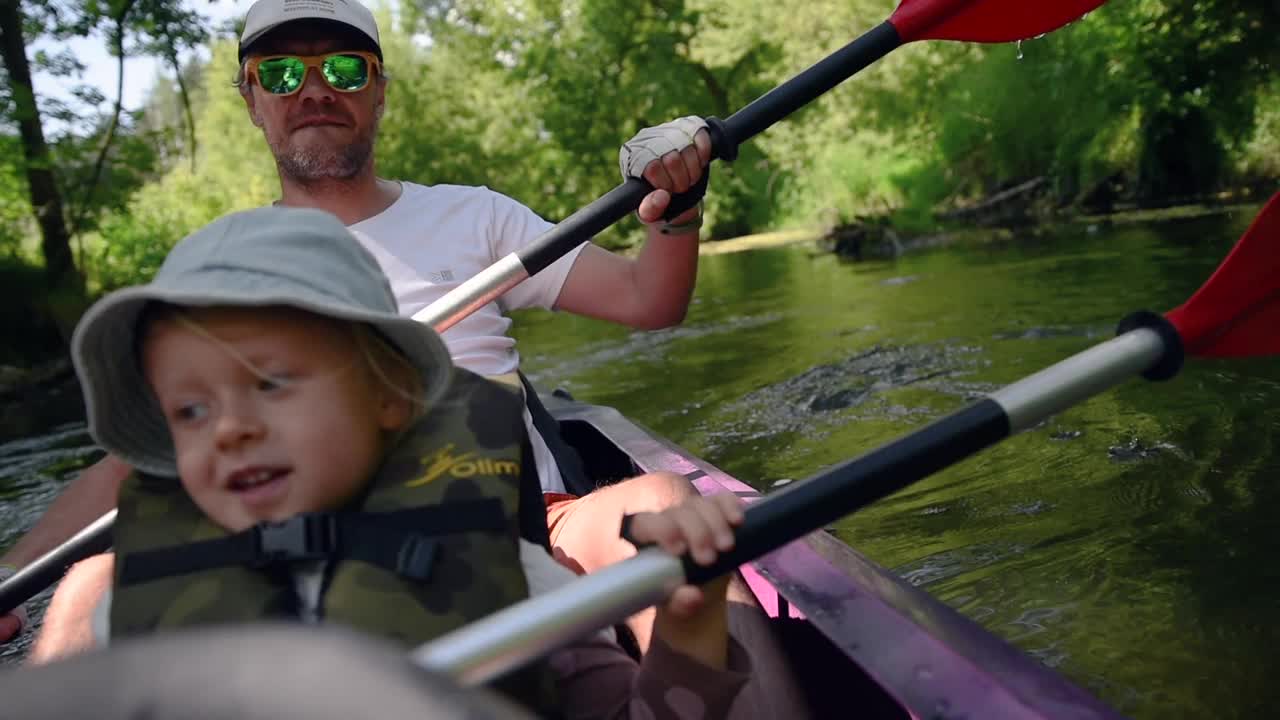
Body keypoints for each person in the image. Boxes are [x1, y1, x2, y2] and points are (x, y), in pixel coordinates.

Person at [5, 5, 807, 712]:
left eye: (343, 67)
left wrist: (677, 210)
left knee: (663, 503)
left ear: (379, 89)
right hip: (295, 527)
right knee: (87, 588)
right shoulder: (216, 266)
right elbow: (136, 466)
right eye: (281, 72)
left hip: (528, 515)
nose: (313, 88)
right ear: (252, 98)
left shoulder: (473, 217)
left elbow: (647, 301)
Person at [45, 206, 759, 719]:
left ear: (390, 399)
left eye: (269, 383)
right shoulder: (133, 618)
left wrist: (688, 633)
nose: (229, 428)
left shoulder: (512, 582)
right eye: (190, 411)